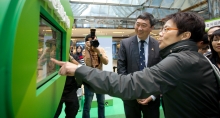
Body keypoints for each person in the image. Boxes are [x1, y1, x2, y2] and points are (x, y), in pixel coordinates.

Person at [51, 12, 220, 118]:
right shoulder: (194, 58)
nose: (160, 34)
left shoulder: (180, 61)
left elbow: (129, 84)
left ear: (185, 35)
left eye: (166, 29)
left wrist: (79, 69)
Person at [117, 12, 160, 118]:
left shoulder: (158, 45)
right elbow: (121, 70)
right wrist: (133, 92)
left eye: (144, 25)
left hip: (151, 97)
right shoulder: (125, 44)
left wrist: (153, 95)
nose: (139, 28)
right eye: (137, 24)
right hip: (130, 97)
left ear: (151, 28)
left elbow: (161, 72)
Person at [82, 34, 109, 118]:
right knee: (87, 105)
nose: (92, 43)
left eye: (94, 40)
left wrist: (98, 52)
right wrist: (87, 50)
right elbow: (88, 63)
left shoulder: (101, 49)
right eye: (90, 41)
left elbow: (106, 62)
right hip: (89, 80)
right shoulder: (85, 51)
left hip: (100, 80)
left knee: (101, 104)